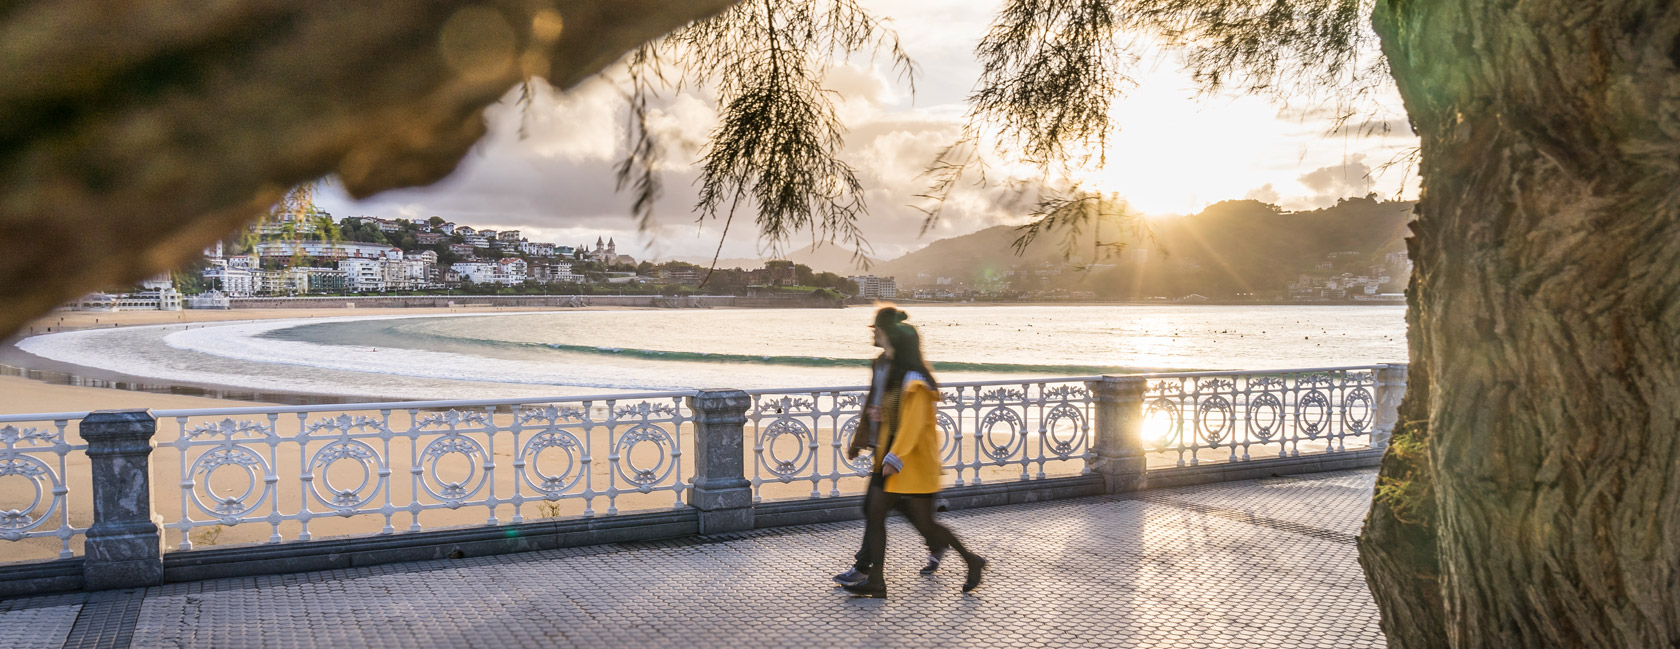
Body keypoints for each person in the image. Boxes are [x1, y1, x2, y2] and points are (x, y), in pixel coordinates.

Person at [840, 306, 986, 598]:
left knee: (925, 523)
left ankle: (971, 560)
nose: (876, 336)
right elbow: (892, 418)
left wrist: (895, 457)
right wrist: (873, 427)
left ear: (896, 340)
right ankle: (877, 581)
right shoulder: (893, 375)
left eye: (879, 332)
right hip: (892, 462)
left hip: (914, 466)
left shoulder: (915, 382)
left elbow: (914, 425)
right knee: (874, 510)